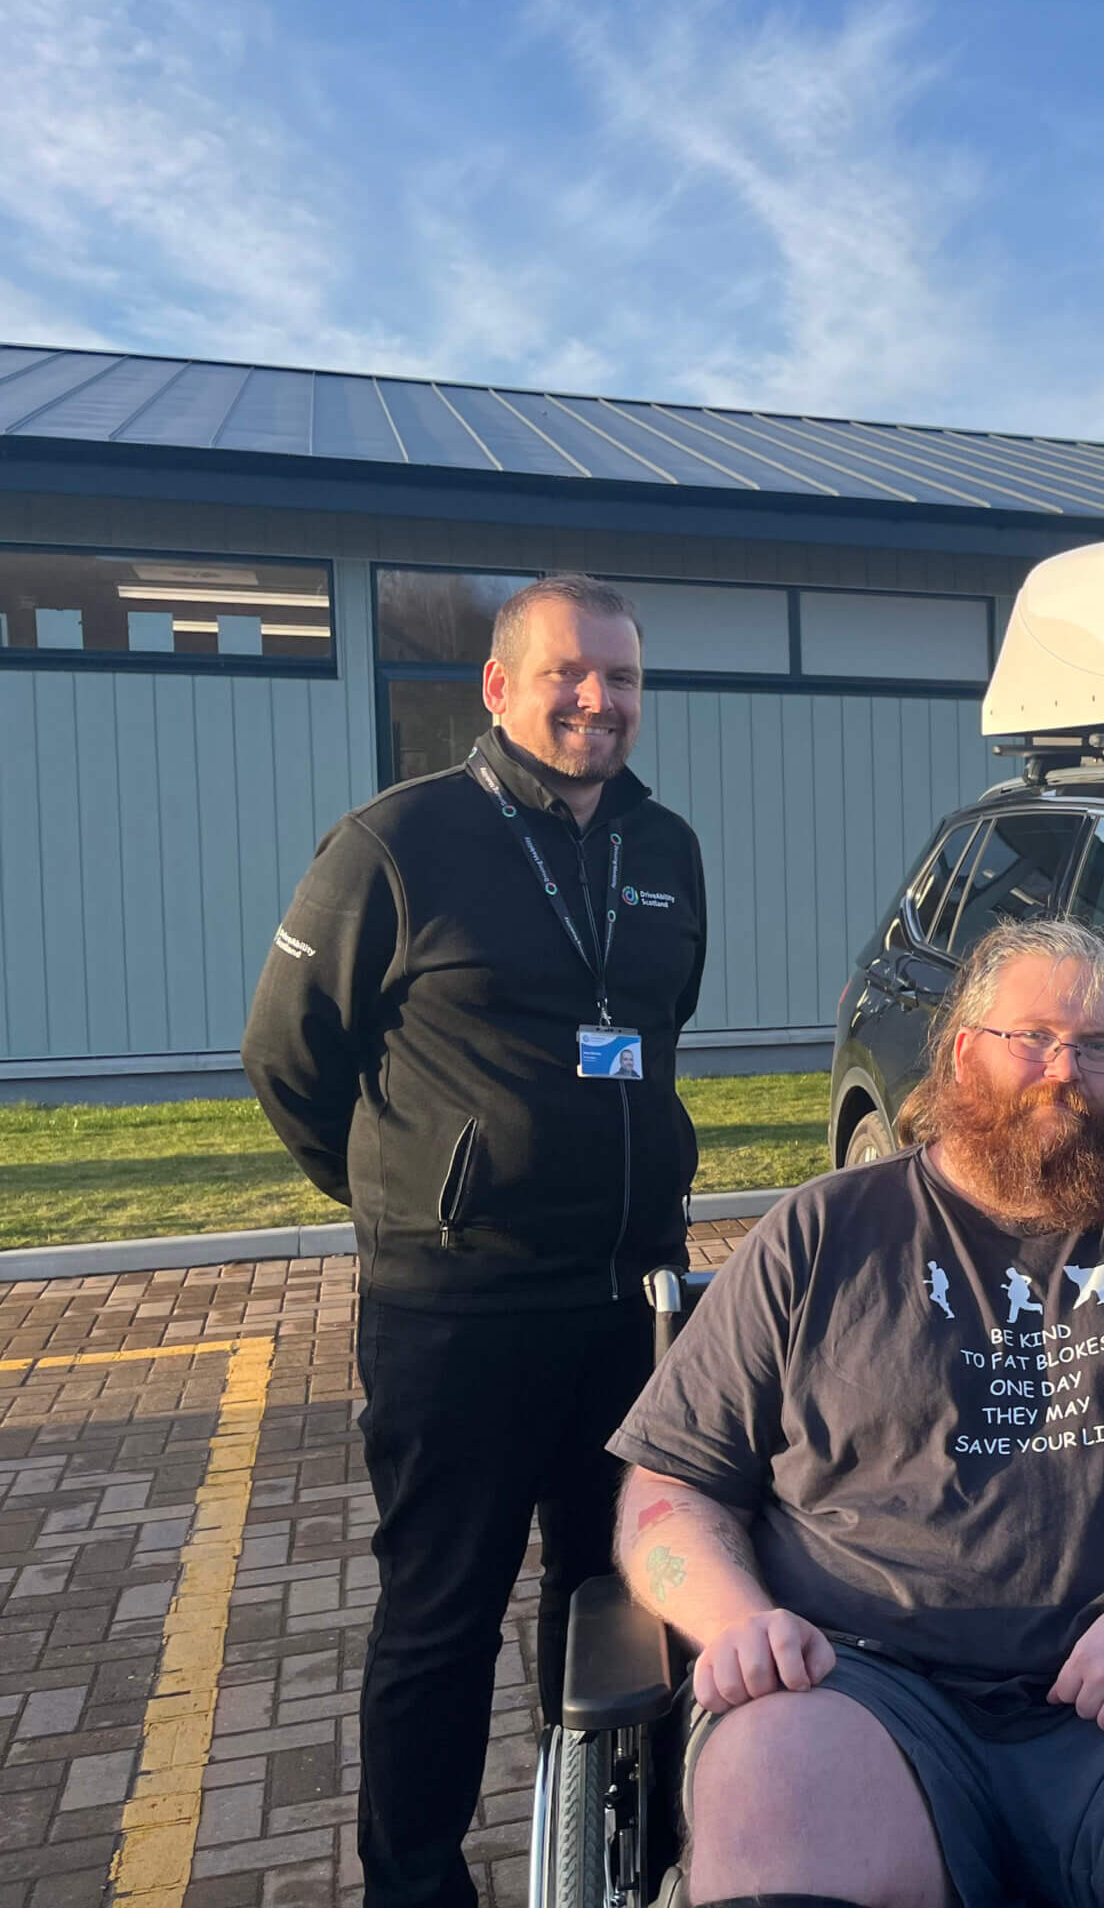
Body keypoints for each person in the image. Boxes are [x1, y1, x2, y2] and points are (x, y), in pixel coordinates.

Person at [608, 916, 1104, 1908]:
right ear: (964, 1050)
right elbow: (670, 1485)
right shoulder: (821, 1232)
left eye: (1097, 1045)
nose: (1066, 1070)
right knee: (769, 1783)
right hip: (861, 1678)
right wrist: (736, 1619)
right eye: (1034, 1038)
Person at [242, 574, 708, 1908]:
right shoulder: (397, 844)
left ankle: (645, 1850)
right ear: (499, 687)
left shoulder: (664, 849)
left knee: (630, 1583)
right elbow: (286, 1059)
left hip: (630, 1301)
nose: (599, 699)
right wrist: (414, 1196)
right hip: (457, 1314)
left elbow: (652, 1038)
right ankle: (416, 1879)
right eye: (570, 673)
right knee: (441, 1617)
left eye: (621, 677)